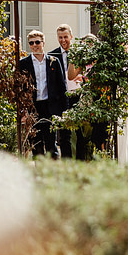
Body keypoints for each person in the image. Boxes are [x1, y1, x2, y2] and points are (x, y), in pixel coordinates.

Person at [18, 30, 68, 158]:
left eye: (37, 42)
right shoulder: (24, 63)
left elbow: (62, 86)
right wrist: (23, 111)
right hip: (33, 108)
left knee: (52, 143)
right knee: (36, 143)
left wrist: (64, 110)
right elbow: (20, 89)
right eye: (31, 43)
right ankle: (40, 169)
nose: (34, 45)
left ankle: (52, 168)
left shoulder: (53, 61)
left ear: (43, 43)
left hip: (50, 107)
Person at [67, 33, 107, 160]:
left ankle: (100, 158)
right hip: (87, 97)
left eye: (90, 44)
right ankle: (84, 159)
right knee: (83, 132)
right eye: (84, 45)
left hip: (101, 97)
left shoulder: (101, 59)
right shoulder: (83, 61)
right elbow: (71, 76)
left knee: (100, 132)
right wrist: (73, 57)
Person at [49, 24, 77, 158]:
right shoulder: (52, 55)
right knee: (64, 135)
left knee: (79, 133)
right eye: (60, 37)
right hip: (61, 99)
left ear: (71, 37)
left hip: (77, 96)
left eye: (65, 37)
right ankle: (67, 163)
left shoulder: (78, 53)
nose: (63, 40)